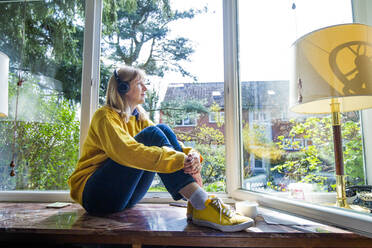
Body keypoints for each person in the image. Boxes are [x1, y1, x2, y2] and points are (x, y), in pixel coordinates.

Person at [68, 65, 253, 232]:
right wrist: (180, 160)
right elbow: (127, 152)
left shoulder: (140, 119)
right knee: (153, 135)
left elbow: (172, 146)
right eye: (140, 84)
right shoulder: (105, 116)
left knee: (161, 130)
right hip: (95, 195)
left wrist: (193, 156)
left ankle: (199, 205)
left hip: (124, 198)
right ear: (122, 88)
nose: (146, 88)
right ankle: (201, 203)